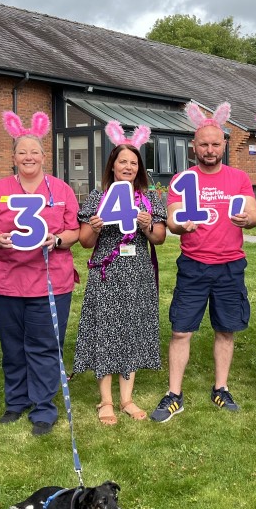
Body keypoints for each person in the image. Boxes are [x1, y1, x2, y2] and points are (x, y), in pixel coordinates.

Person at [150, 101, 256, 423]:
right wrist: (178, 226)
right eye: (204, 144)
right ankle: (174, 394)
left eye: (215, 144)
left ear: (223, 145)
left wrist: (247, 220)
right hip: (194, 265)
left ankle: (221, 388)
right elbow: (171, 220)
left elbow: (253, 213)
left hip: (230, 265)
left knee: (226, 330)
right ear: (193, 147)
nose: (210, 150)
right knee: (181, 331)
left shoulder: (238, 177)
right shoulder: (182, 180)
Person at [0, 111, 79, 436]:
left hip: (50, 282)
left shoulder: (61, 189)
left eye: (34, 152)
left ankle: (43, 408)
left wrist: (58, 239)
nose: (29, 157)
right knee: (12, 345)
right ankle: (16, 401)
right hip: (4, 281)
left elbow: (75, 230)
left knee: (45, 345)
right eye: (22, 152)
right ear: (14, 158)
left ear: (44, 156)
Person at [72, 122, 166, 425]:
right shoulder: (98, 196)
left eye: (133, 162)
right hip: (107, 273)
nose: (128, 166)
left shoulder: (149, 198)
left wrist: (147, 225)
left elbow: (160, 238)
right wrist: (95, 228)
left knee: (132, 330)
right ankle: (106, 400)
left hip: (138, 273)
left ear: (139, 168)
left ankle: (127, 398)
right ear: (112, 165)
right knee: (106, 329)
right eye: (122, 161)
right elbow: (85, 242)